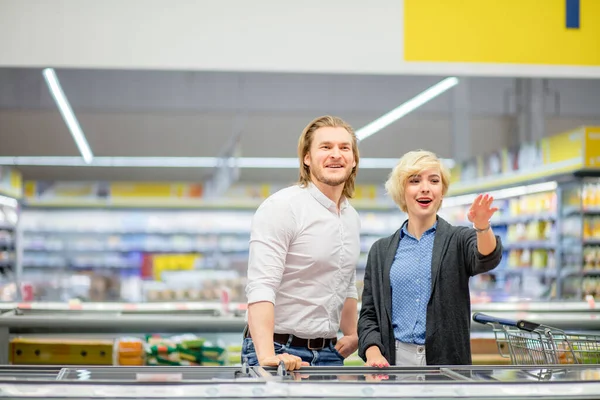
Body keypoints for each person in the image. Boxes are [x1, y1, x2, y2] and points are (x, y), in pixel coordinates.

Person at [358, 149, 503, 367]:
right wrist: (373, 353)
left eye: (434, 180)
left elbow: (487, 257)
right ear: (401, 191)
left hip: (446, 360)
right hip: (393, 359)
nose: (425, 187)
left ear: (441, 191)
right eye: (414, 181)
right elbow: (369, 314)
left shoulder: (458, 239)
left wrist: (482, 227)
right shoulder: (380, 251)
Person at [242, 115, 361, 371]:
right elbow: (261, 285)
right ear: (307, 158)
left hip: (330, 353)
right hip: (280, 350)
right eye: (325, 147)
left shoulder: (351, 216)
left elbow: (346, 280)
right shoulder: (283, 207)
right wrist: (267, 356)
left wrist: (351, 333)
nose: (336, 154)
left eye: (344, 148)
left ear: (353, 161)